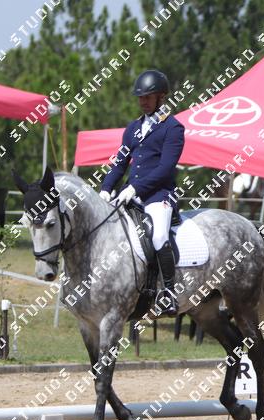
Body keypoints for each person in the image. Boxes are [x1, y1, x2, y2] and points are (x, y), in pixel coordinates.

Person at [99, 69, 185, 316]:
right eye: (140, 97)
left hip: (159, 195)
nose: (143, 101)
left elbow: (165, 168)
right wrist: (105, 189)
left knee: (158, 236)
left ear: (161, 97)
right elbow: (120, 164)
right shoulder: (133, 128)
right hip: (129, 194)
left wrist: (136, 188)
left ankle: (168, 293)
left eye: (148, 97)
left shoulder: (173, 128)